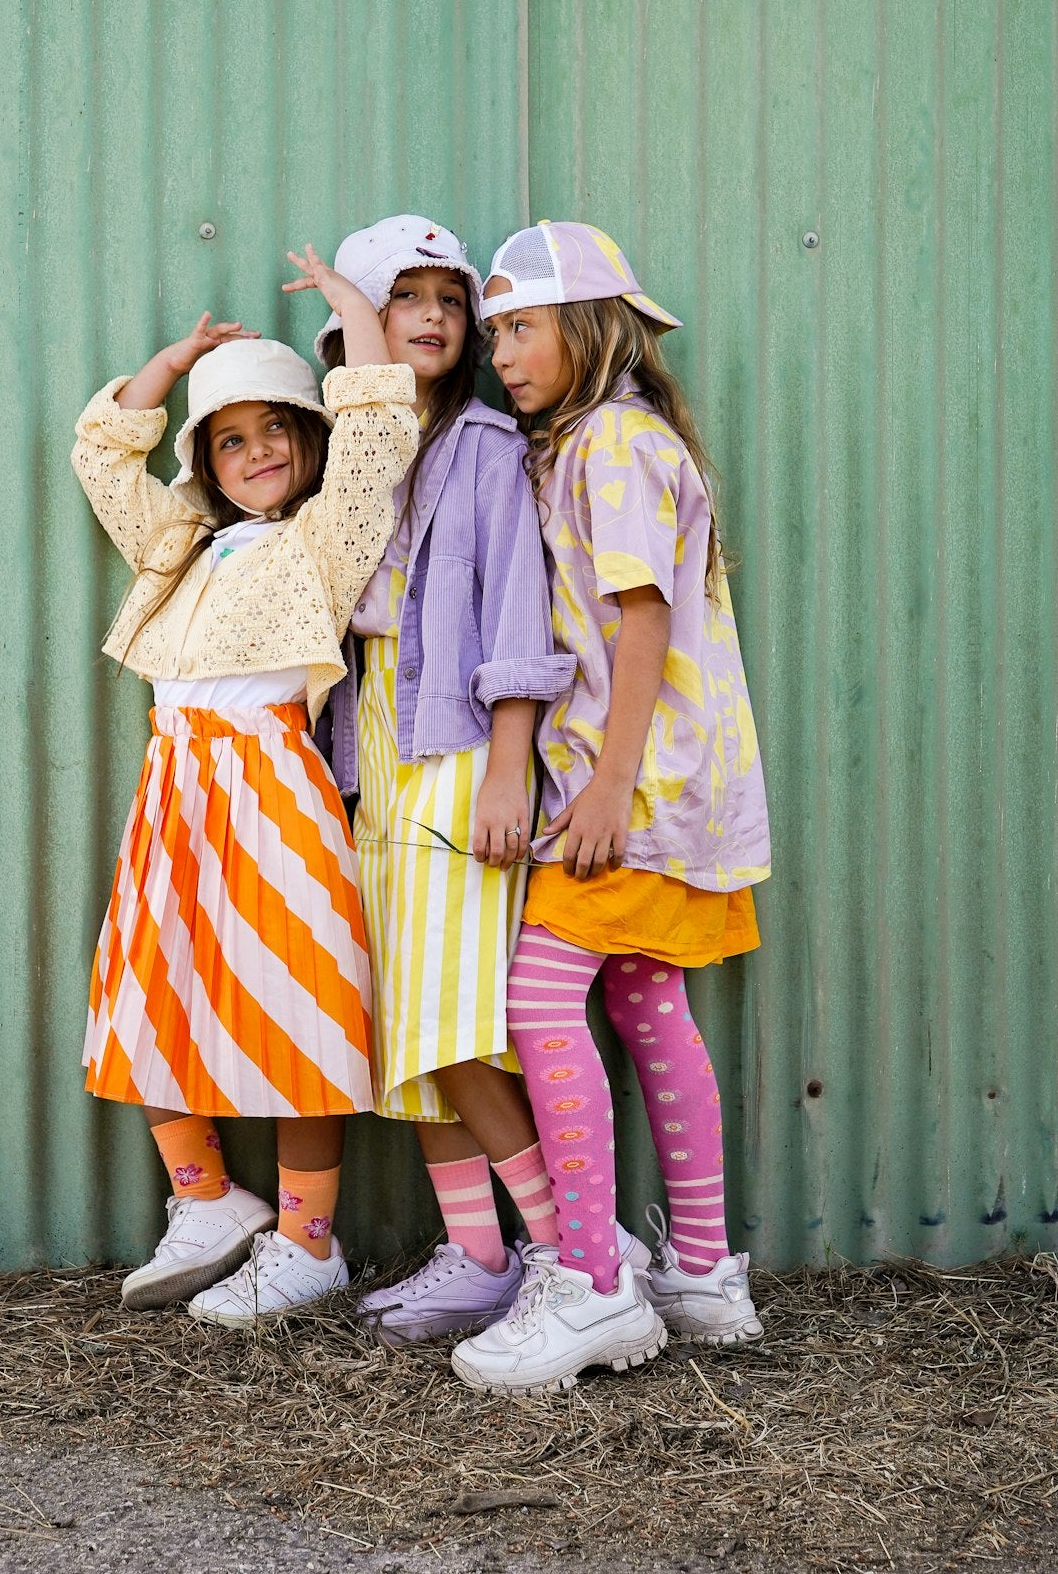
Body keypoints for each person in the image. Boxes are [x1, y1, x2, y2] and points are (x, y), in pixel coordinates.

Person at [451, 221, 771, 1394]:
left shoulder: (617, 445)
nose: (502, 355)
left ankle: (591, 1282)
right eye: (495, 334)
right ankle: (700, 1271)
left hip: (634, 782)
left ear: (590, 328)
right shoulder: (600, 440)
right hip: (665, 780)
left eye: (523, 329)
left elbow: (643, 620)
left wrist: (606, 783)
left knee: (540, 1001)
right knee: (644, 998)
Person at [72, 294, 417, 1325]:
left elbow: (379, 430)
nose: (257, 450)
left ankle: (309, 1242)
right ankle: (208, 1198)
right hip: (173, 785)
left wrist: (356, 311)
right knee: (149, 989)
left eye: (276, 428)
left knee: (299, 997)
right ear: (206, 464)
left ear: (309, 437)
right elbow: (102, 459)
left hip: (270, 783)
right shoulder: (180, 543)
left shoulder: (324, 538)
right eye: (230, 439)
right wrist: (173, 363)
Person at [293, 215, 576, 1344]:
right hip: (374, 747)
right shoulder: (349, 460)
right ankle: (480, 1258)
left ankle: (569, 1258)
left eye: (449, 300)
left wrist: (508, 770)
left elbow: (518, 617)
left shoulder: (489, 449)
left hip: (459, 749)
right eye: (403, 297)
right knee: (412, 1031)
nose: (433, 317)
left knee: (456, 1026)